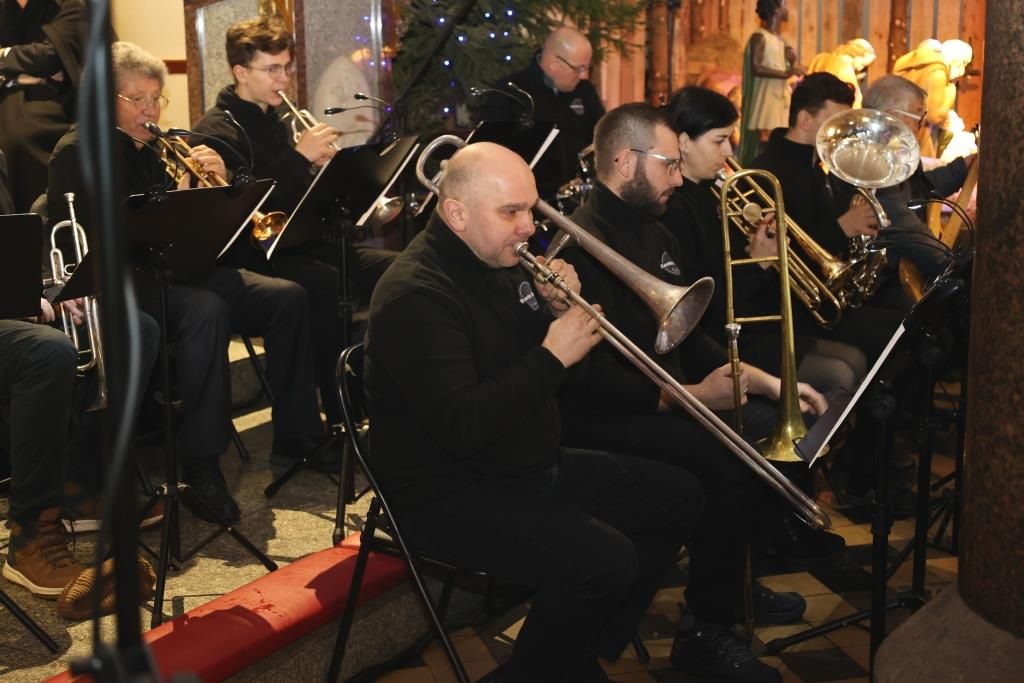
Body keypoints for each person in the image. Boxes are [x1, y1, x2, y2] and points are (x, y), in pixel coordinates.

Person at [365, 141, 703, 682]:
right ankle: (544, 668)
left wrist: (555, 317)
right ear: (456, 214)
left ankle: (570, 655)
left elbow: (563, 386)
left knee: (678, 496)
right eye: (511, 212)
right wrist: (552, 354)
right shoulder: (416, 294)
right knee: (605, 560)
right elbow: (463, 426)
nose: (529, 227)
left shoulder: (498, 261)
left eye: (530, 208)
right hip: (445, 492)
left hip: (521, 464)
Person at [558, 102, 824, 683]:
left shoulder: (654, 229)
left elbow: (691, 334)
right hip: (603, 416)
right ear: (624, 162)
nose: (679, 180)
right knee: (729, 458)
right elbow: (590, 380)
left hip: (663, 397)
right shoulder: (579, 247)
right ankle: (704, 628)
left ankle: (729, 584)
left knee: (765, 422)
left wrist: (769, 381)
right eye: (668, 165)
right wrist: (691, 396)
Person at [47, 41, 328, 523]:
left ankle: (298, 439)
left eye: (156, 98)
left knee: (287, 297)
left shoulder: (156, 146)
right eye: (138, 99)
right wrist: (178, 202)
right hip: (121, 285)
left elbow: (202, 237)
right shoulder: (78, 152)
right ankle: (202, 465)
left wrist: (214, 190)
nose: (152, 110)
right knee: (205, 310)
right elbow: (103, 243)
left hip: (180, 271)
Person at [192, 16, 396, 426]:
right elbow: (247, 209)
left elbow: (298, 200)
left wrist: (326, 173)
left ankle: (380, 396)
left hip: (301, 243)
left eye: (286, 67)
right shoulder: (215, 131)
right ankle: (334, 415)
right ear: (240, 72)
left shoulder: (277, 120)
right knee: (325, 286)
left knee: (397, 271)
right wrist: (299, 158)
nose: (284, 79)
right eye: (272, 69)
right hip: (258, 256)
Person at [856, 75, 972, 288]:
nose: (923, 125)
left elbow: (918, 190)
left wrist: (961, 169)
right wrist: (952, 265)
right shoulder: (868, 156)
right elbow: (901, 223)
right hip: (881, 279)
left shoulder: (895, 151)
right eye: (919, 116)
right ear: (891, 116)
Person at [473, 26, 605, 201]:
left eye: (586, 68)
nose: (583, 76)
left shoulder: (584, 91)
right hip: (528, 198)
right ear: (553, 62)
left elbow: (603, 138)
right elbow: (488, 151)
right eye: (578, 69)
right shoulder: (512, 93)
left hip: (578, 197)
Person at [0, 0, 85, 212]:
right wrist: (23, 76)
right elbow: (41, 60)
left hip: (61, 101)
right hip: (7, 92)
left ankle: (36, 218)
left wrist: (3, 56)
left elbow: (49, 56)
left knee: (20, 136)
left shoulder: (69, 6)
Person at [738, 0, 800, 165]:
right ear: (776, 9)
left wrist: (791, 63)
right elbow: (757, 67)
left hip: (779, 97)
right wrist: (785, 74)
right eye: (785, 5)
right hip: (766, 98)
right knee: (766, 140)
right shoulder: (760, 37)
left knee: (777, 138)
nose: (788, 10)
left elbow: (781, 66)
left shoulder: (780, 41)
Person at [806, 38, 876, 108]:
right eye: (862, 64)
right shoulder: (846, 71)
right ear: (856, 54)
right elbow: (854, 104)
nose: (860, 68)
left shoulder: (820, 58)